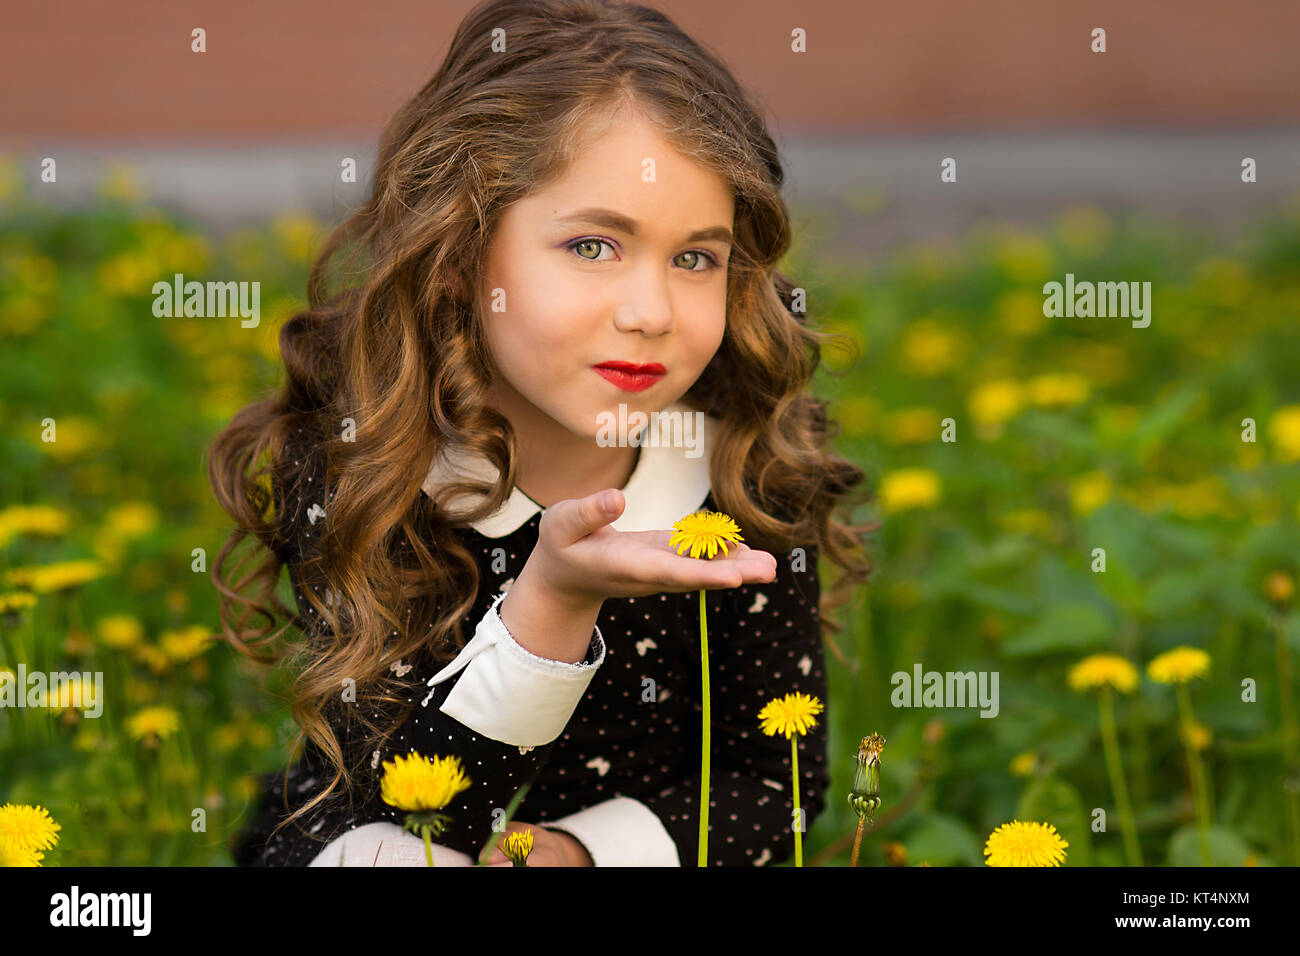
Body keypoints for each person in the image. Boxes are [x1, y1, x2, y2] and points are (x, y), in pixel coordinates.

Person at [207, 0, 873, 867]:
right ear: (460, 249)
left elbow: (774, 788)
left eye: (696, 257)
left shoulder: (739, 477)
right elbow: (410, 807)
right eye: (594, 246)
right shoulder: (367, 471)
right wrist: (550, 605)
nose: (650, 313)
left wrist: (579, 854)